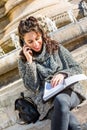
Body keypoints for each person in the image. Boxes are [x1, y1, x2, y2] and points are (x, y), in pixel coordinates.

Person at [17, 16, 86, 130]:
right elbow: (32, 87)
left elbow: (77, 68)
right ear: (23, 42)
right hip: (47, 103)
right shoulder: (23, 61)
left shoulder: (55, 47)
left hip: (70, 93)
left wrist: (62, 74)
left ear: (42, 35)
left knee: (60, 100)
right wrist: (30, 63)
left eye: (37, 38)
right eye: (30, 41)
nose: (36, 44)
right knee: (73, 126)